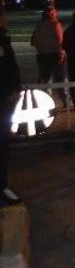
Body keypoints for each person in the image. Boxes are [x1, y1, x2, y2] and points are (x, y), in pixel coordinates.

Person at [0, 13, 22, 205]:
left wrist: (16, 89)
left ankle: (2, 185)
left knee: (4, 146)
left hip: (5, 101)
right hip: (2, 101)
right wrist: (10, 91)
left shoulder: (3, 39)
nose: (6, 17)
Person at [30, 7, 67, 110]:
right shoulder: (56, 24)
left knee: (45, 80)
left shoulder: (39, 26)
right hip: (55, 55)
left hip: (42, 55)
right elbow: (60, 41)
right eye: (55, 13)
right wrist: (61, 52)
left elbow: (33, 41)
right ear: (52, 14)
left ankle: (46, 102)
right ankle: (65, 100)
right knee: (61, 79)